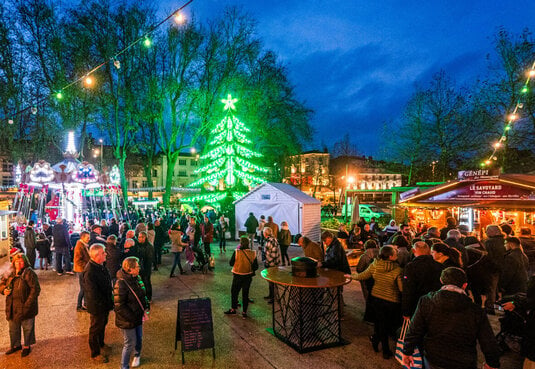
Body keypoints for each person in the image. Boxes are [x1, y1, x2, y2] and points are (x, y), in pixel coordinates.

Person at [402, 267, 501, 369]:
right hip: (464, 362)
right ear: (464, 285)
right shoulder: (476, 310)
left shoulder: (426, 301)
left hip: (433, 358)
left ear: (441, 281)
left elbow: (414, 329)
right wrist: (492, 362)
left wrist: (407, 351)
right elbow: (488, 340)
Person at [351, 246, 402, 359]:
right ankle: (385, 349)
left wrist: (350, 276)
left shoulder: (375, 265)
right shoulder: (398, 270)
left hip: (376, 297)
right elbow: (401, 288)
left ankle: (377, 340)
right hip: (391, 300)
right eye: (395, 254)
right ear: (390, 256)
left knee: (380, 323)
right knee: (387, 324)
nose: (397, 255)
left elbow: (362, 275)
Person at [0, 253, 41, 357]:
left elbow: (35, 289)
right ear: (13, 262)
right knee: (13, 328)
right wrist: (3, 290)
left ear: (25, 261)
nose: (19, 263)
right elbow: (2, 283)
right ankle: (15, 345)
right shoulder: (10, 272)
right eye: (16, 261)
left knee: (27, 327)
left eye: (21, 261)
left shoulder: (29, 273)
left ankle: (27, 346)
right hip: (12, 305)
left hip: (25, 305)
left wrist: (27, 304)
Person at [114, 257, 149, 369]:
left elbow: (142, 293)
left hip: (138, 316)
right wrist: (133, 317)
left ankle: (137, 355)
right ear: (130, 269)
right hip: (127, 320)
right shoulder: (121, 283)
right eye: (137, 266)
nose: (139, 268)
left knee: (139, 338)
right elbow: (119, 307)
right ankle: (124, 366)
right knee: (129, 343)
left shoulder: (136, 277)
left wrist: (146, 305)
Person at [83, 244, 114, 363]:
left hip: (104, 304)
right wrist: (103, 305)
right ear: (96, 255)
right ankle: (95, 353)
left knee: (102, 325)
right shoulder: (90, 271)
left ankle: (101, 343)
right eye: (103, 253)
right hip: (97, 307)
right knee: (95, 329)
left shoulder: (100, 265)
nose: (106, 254)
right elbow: (92, 293)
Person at [402, 241, 444, 320]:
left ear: (414, 251)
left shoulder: (411, 267)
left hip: (417, 304)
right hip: (435, 303)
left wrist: (406, 311)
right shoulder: (439, 266)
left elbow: (408, 290)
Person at [224, 237, 258, 318]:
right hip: (248, 276)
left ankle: (233, 309)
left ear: (240, 243)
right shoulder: (253, 253)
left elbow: (231, 263)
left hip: (237, 275)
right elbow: (255, 267)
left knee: (234, 292)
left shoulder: (236, 252)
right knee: (245, 294)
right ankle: (244, 312)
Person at [356, 239, 379, 323]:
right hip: (378, 279)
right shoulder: (380, 254)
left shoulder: (364, 256)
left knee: (368, 298)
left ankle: (369, 318)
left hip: (367, 280)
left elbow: (359, 268)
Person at [484, 224, 506, 313]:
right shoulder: (504, 241)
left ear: (494, 232)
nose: (486, 233)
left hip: (493, 268)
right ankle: (505, 305)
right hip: (505, 267)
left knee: (491, 288)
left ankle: (490, 307)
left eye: (487, 231)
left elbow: (487, 255)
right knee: (503, 287)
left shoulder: (489, 242)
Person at [74, 231, 91, 312]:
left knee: (85, 287)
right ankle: (79, 305)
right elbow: (78, 260)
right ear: (82, 237)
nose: (89, 239)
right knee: (83, 288)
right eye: (87, 238)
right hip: (81, 270)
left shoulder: (83, 245)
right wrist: (86, 266)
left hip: (82, 269)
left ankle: (85, 304)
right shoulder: (80, 246)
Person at [263, 227, 281, 303]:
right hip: (275, 263)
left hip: (271, 264)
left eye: (263, 232)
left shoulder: (269, 241)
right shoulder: (274, 239)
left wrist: (267, 262)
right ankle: (271, 295)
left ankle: (273, 298)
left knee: (271, 281)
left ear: (265, 233)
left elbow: (270, 254)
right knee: (271, 281)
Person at [137, 231, 154, 302]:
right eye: (138, 237)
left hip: (146, 267)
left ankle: (148, 297)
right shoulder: (139, 245)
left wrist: (146, 269)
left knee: (147, 282)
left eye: (140, 237)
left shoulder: (149, 246)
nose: (139, 238)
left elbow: (149, 259)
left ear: (144, 237)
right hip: (141, 267)